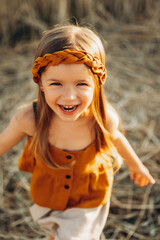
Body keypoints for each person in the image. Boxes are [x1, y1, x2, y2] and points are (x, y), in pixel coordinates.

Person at [0, 24, 155, 240]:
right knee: (55, 233)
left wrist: (136, 165)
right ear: (41, 83)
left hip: (88, 198)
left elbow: (117, 139)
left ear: (97, 85)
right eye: (56, 83)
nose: (69, 96)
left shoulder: (102, 120)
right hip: (47, 196)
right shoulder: (30, 119)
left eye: (81, 83)